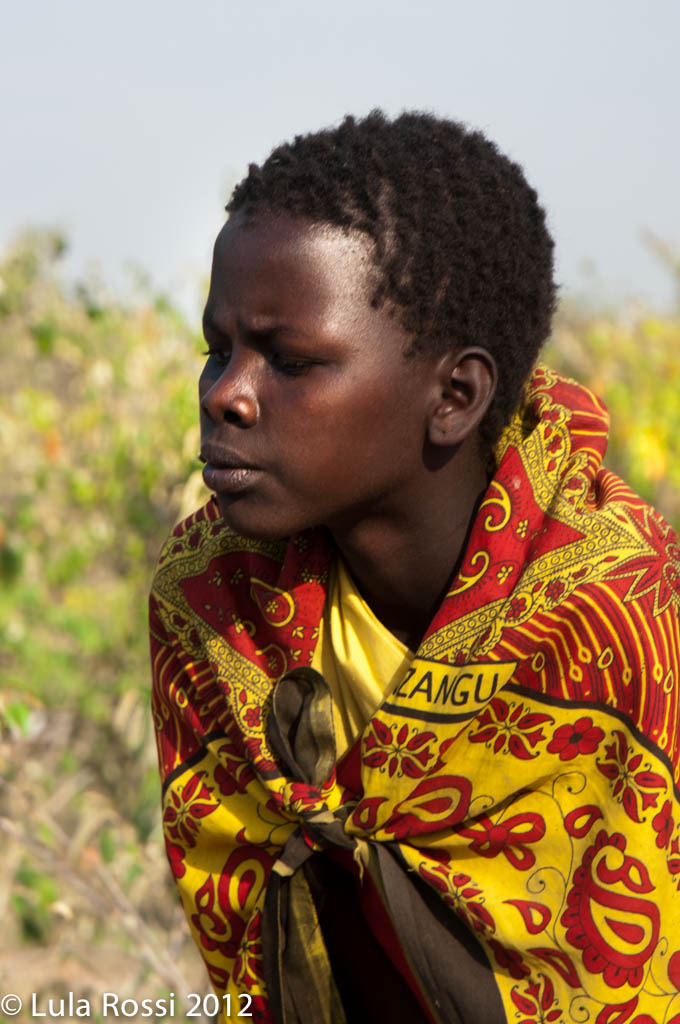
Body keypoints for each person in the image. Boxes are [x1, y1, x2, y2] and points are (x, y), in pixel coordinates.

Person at [149, 110, 680, 1024]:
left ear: (455, 396)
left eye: (290, 359)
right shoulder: (211, 599)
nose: (227, 394)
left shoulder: (616, 614)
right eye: (219, 349)